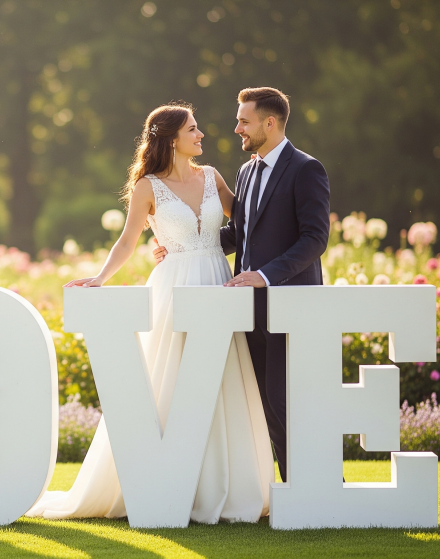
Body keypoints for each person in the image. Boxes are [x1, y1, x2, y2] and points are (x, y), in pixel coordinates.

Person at [26, 102, 274, 523]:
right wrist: (100, 278)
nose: (201, 135)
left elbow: (249, 225)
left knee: (219, 382)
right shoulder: (147, 187)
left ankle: (222, 487)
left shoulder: (212, 177)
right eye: (193, 129)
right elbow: (126, 241)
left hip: (216, 282)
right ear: (170, 138)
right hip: (173, 287)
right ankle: (158, 481)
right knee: (172, 379)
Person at [153, 87, 331, 483]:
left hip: (290, 306)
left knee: (288, 402)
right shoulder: (247, 171)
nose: (237, 128)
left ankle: (315, 489)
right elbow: (241, 232)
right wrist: (182, 248)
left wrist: (266, 276)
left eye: (244, 121)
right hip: (248, 311)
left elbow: (315, 238)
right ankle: (296, 489)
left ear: (270, 122)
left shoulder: (306, 169)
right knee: (263, 404)